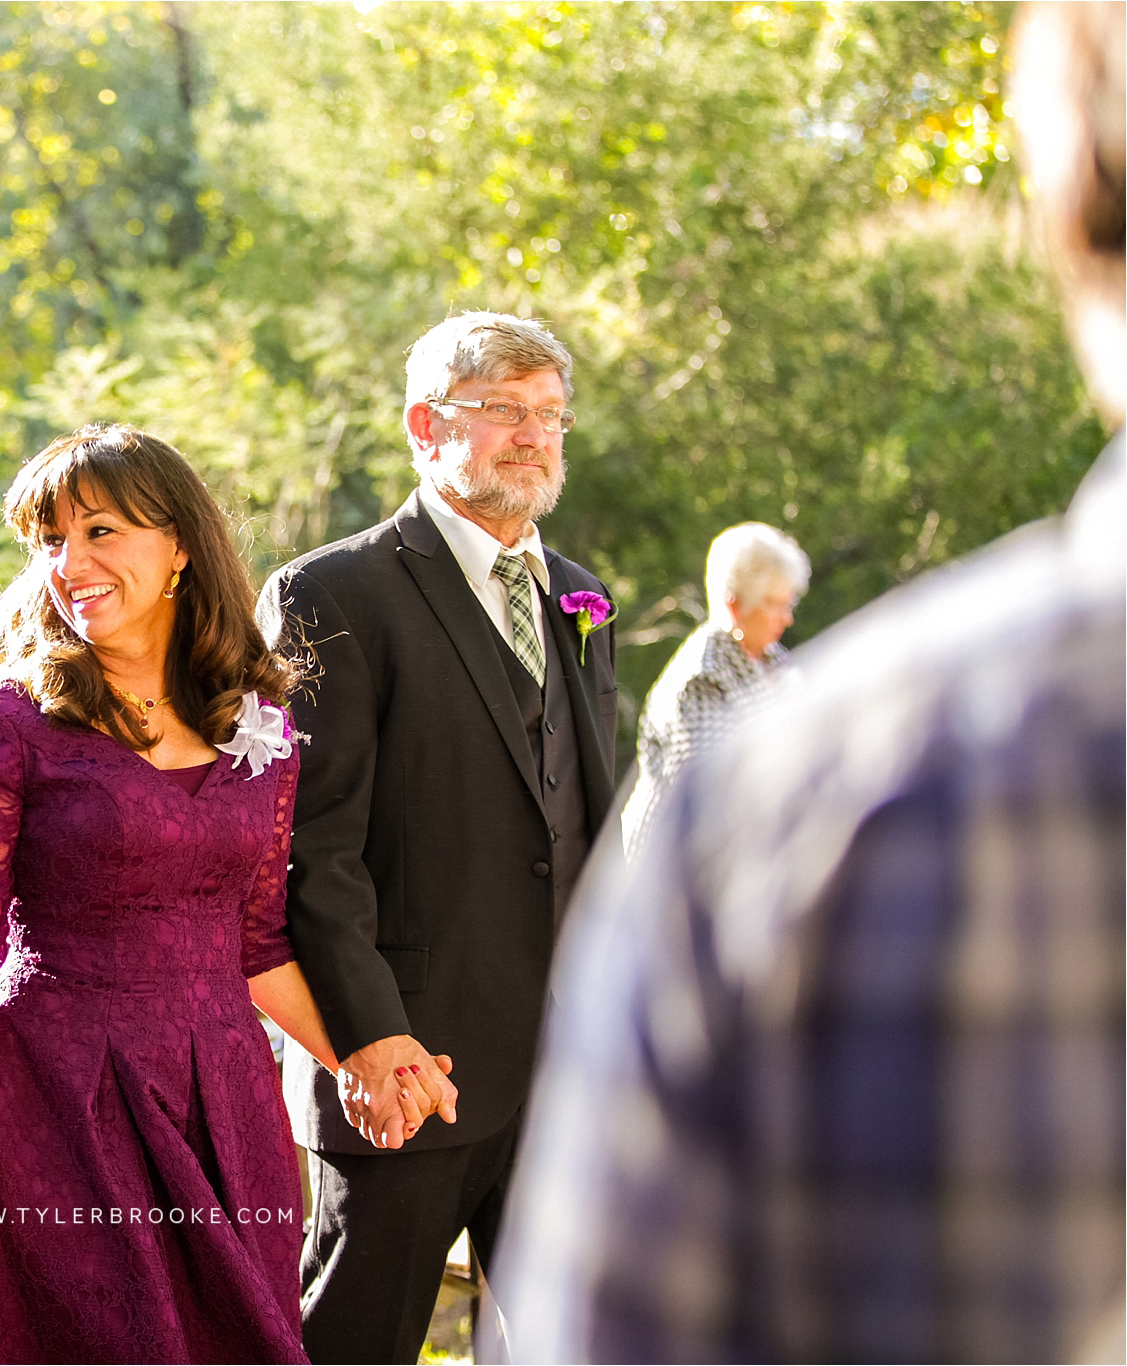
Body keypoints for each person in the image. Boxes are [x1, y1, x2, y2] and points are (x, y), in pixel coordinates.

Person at [495, 4, 1125, 1360]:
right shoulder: (740, 720)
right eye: (777, 602)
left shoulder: (830, 779)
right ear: (745, 596)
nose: (788, 618)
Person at [0, 423, 407, 1365]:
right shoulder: (1, 730)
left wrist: (355, 1059)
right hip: (56, 1105)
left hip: (225, 1106)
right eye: (49, 540)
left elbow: (256, 942)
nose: (68, 563)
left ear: (180, 549)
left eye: (100, 532)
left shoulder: (259, 729)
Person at [257, 312, 619, 1364]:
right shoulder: (333, 592)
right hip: (409, 1067)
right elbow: (308, 851)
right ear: (424, 423)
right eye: (502, 409)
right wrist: (366, 1039)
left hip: (559, 1069)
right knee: (353, 1344)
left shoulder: (578, 595)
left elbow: (585, 822)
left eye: (548, 414)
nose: (533, 435)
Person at [619, 521, 808, 854]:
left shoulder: (775, 661)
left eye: (788, 603)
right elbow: (711, 800)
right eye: (776, 605)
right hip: (678, 871)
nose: (787, 618)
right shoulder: (703, 678)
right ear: (735, 606)